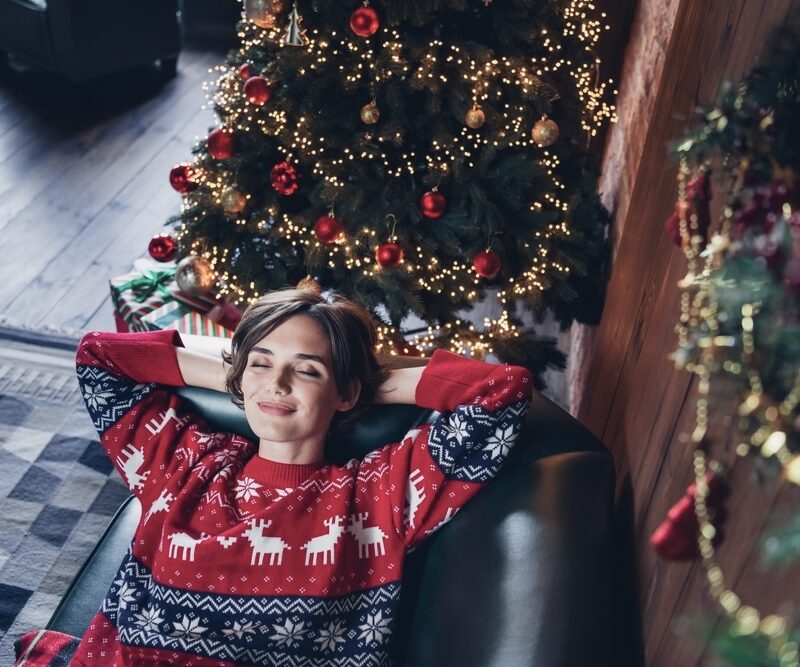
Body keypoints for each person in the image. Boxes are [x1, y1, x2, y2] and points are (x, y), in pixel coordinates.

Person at [16, 288, 532, 666]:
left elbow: (502, 391)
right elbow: (100, 356)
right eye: (263, 364)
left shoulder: (379, 494)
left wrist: (367, 384)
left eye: (306, 370)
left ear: (346, 392)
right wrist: (243, 374)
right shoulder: (183, 462)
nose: (278, 384)